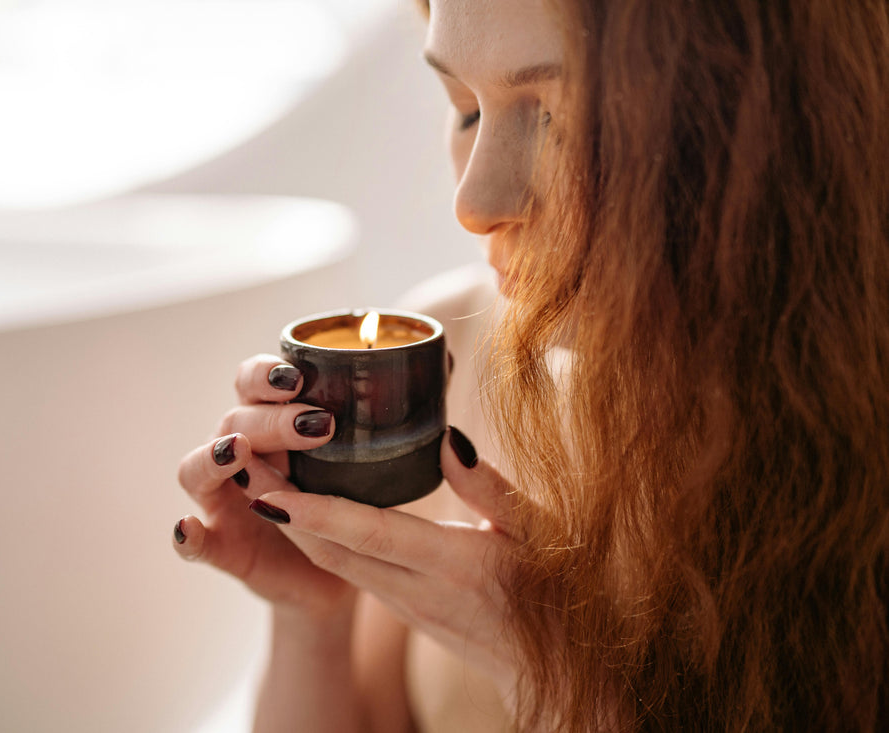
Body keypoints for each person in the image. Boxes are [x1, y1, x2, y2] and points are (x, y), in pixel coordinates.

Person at [175, 0, 889, 730]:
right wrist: (314, 610)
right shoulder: (458, 351)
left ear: (756, 124)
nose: (474, 204)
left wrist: (553, 680)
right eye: (466, 110)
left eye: (557, 118)